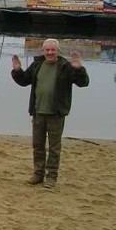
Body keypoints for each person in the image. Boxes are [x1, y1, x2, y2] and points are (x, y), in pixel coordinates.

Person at [10, 38, 89, 188]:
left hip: (56, 113)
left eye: (53, 50)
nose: (50, 52)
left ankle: (51, 176)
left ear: (58, 51)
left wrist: (79, 69)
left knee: (54, 147)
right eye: (47, 50)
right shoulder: (37, 64)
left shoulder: (66, 66)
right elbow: (24, 81)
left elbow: (83, 83)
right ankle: (38, 174)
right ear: (43, 51)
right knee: (37, 145)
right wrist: (17, 71)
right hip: (38, 111)